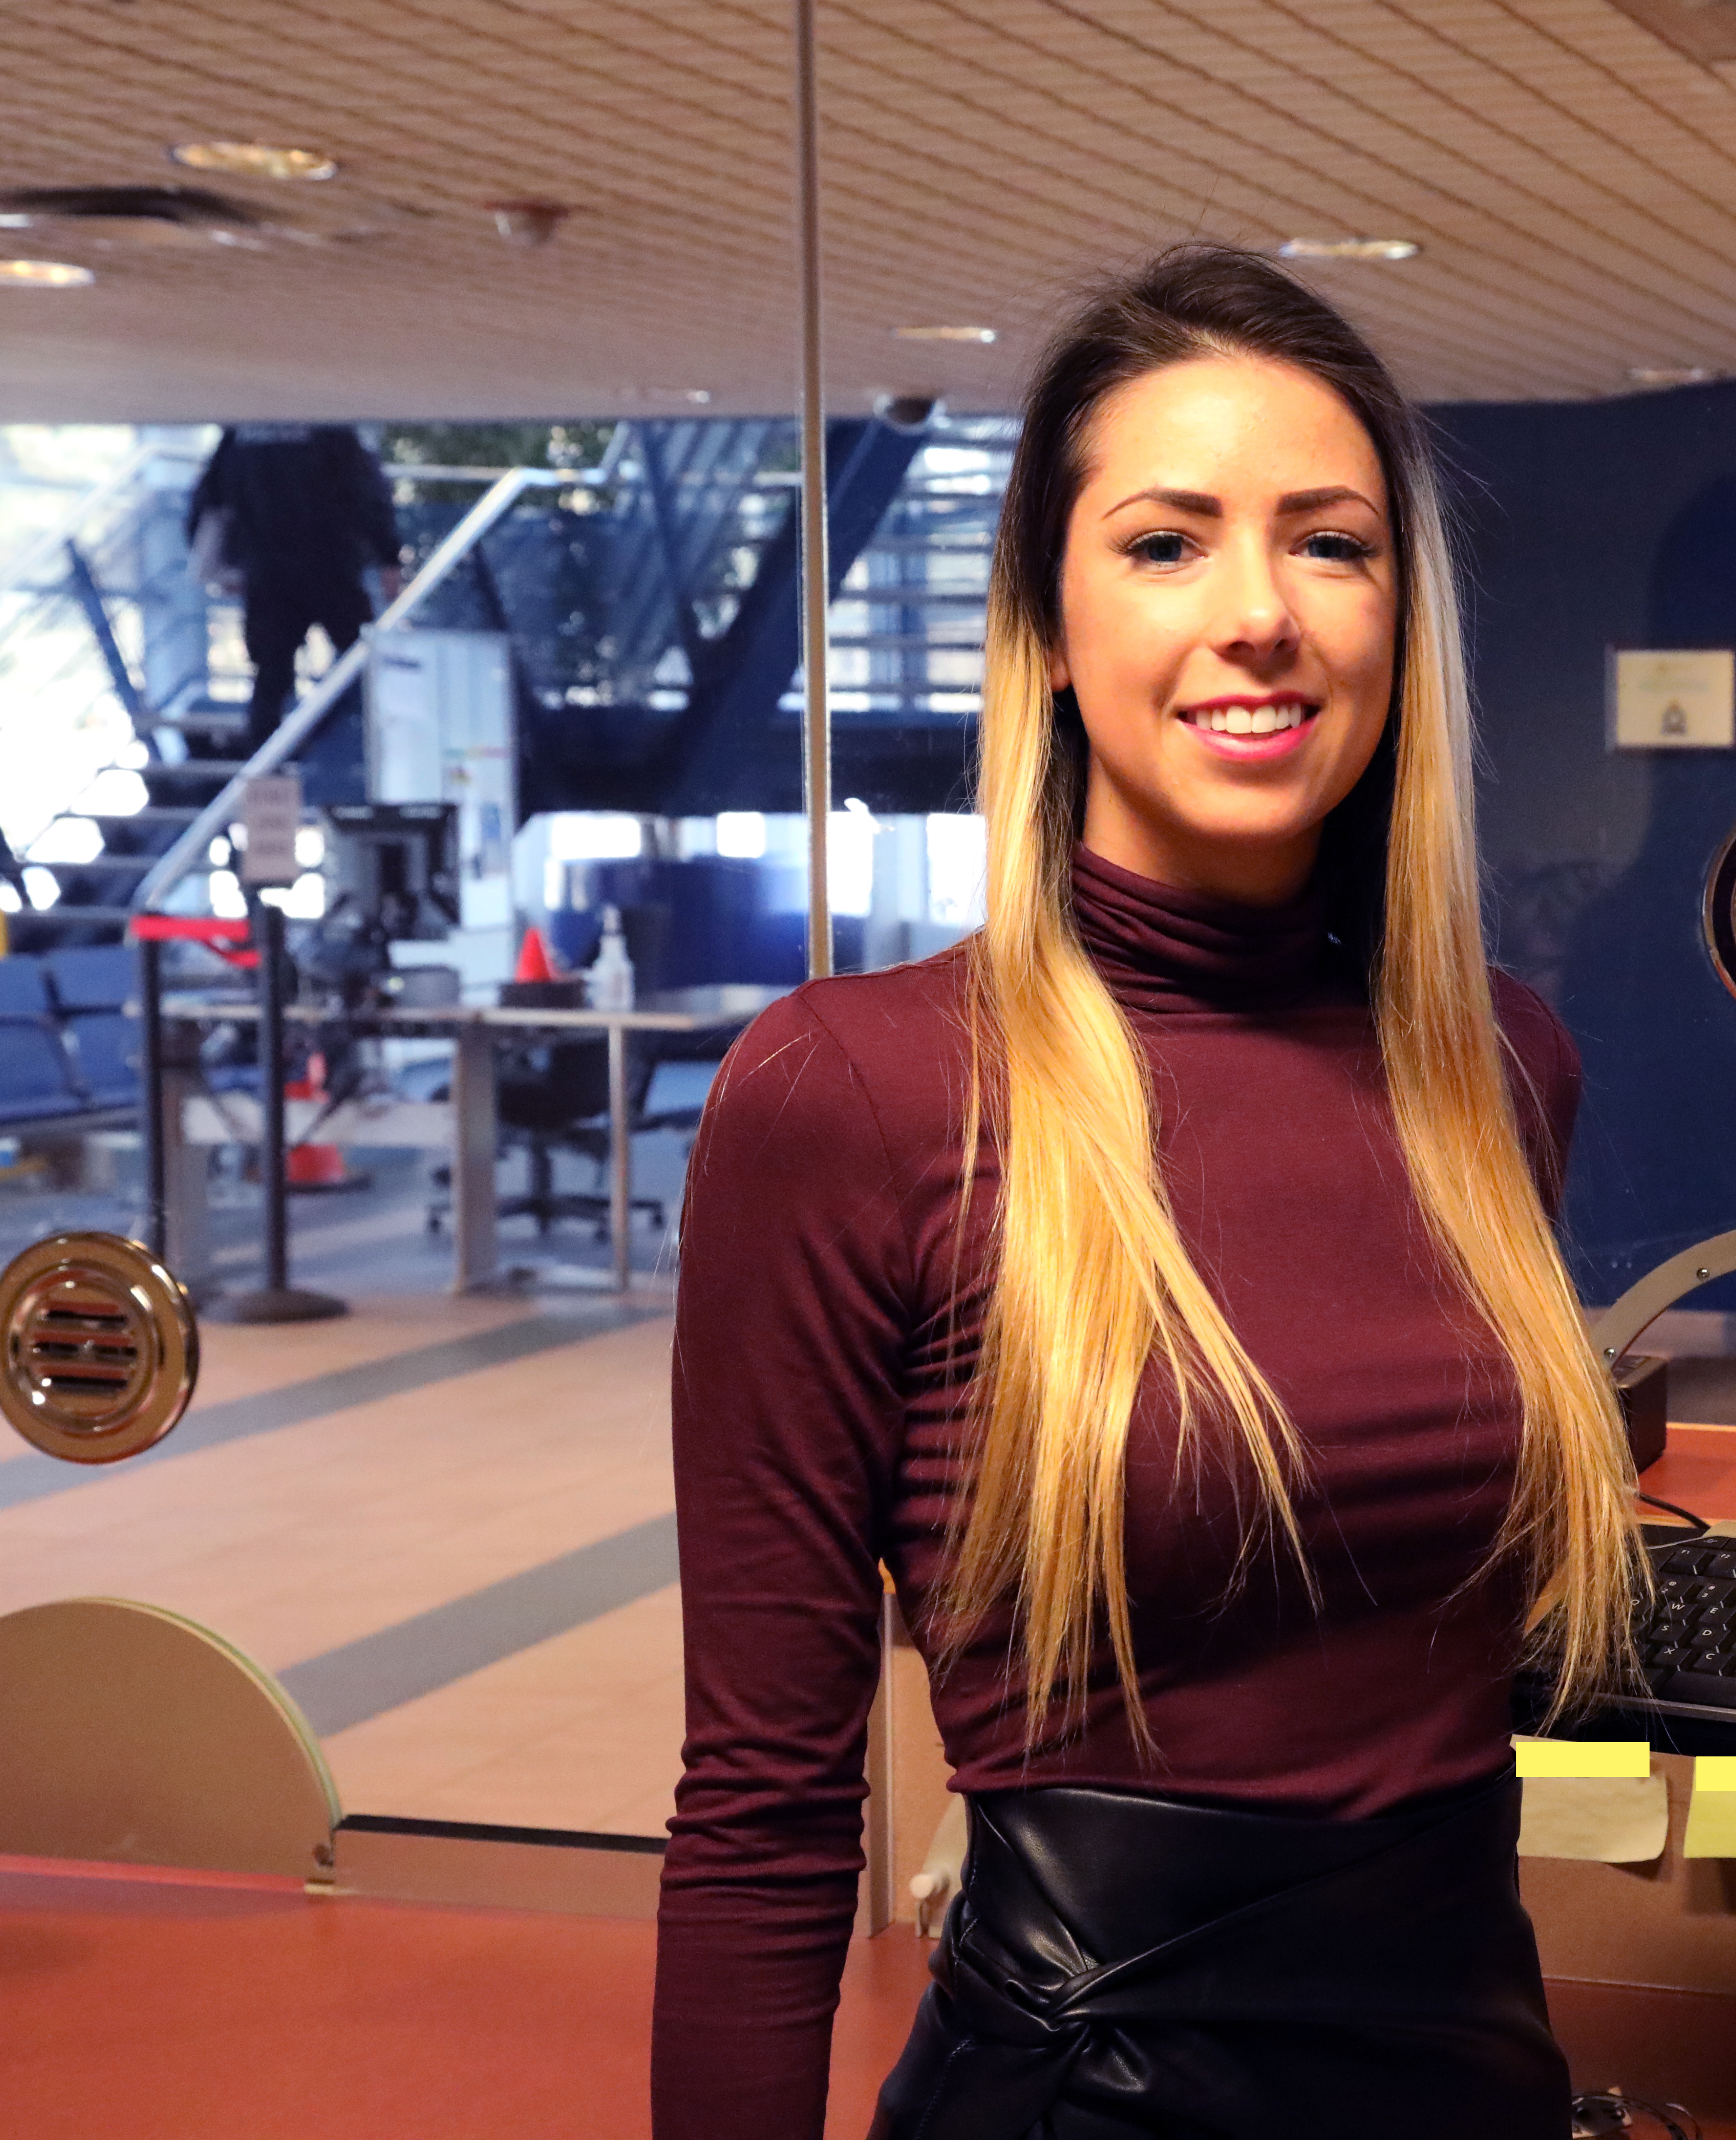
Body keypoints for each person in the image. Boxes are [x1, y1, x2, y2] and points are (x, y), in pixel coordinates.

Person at [653, 247, 1646, 2140]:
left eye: (1331, 545)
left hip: (1466, 2081)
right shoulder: (857, 1094)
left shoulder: (1499, 1071)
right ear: (1043, 622)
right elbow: (764, 1814)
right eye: (1170, 543)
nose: (1262, 613)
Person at [186, 422, 404, 758]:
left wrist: (223, 563)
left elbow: (210, 497)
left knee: (270, 679)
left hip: (266, 573)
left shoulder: (242, 432)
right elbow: (365, 493)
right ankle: (337, 744)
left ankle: (267, 771)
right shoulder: (329, 428)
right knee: (361, 663)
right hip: (332, 565)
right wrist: (389, 558)